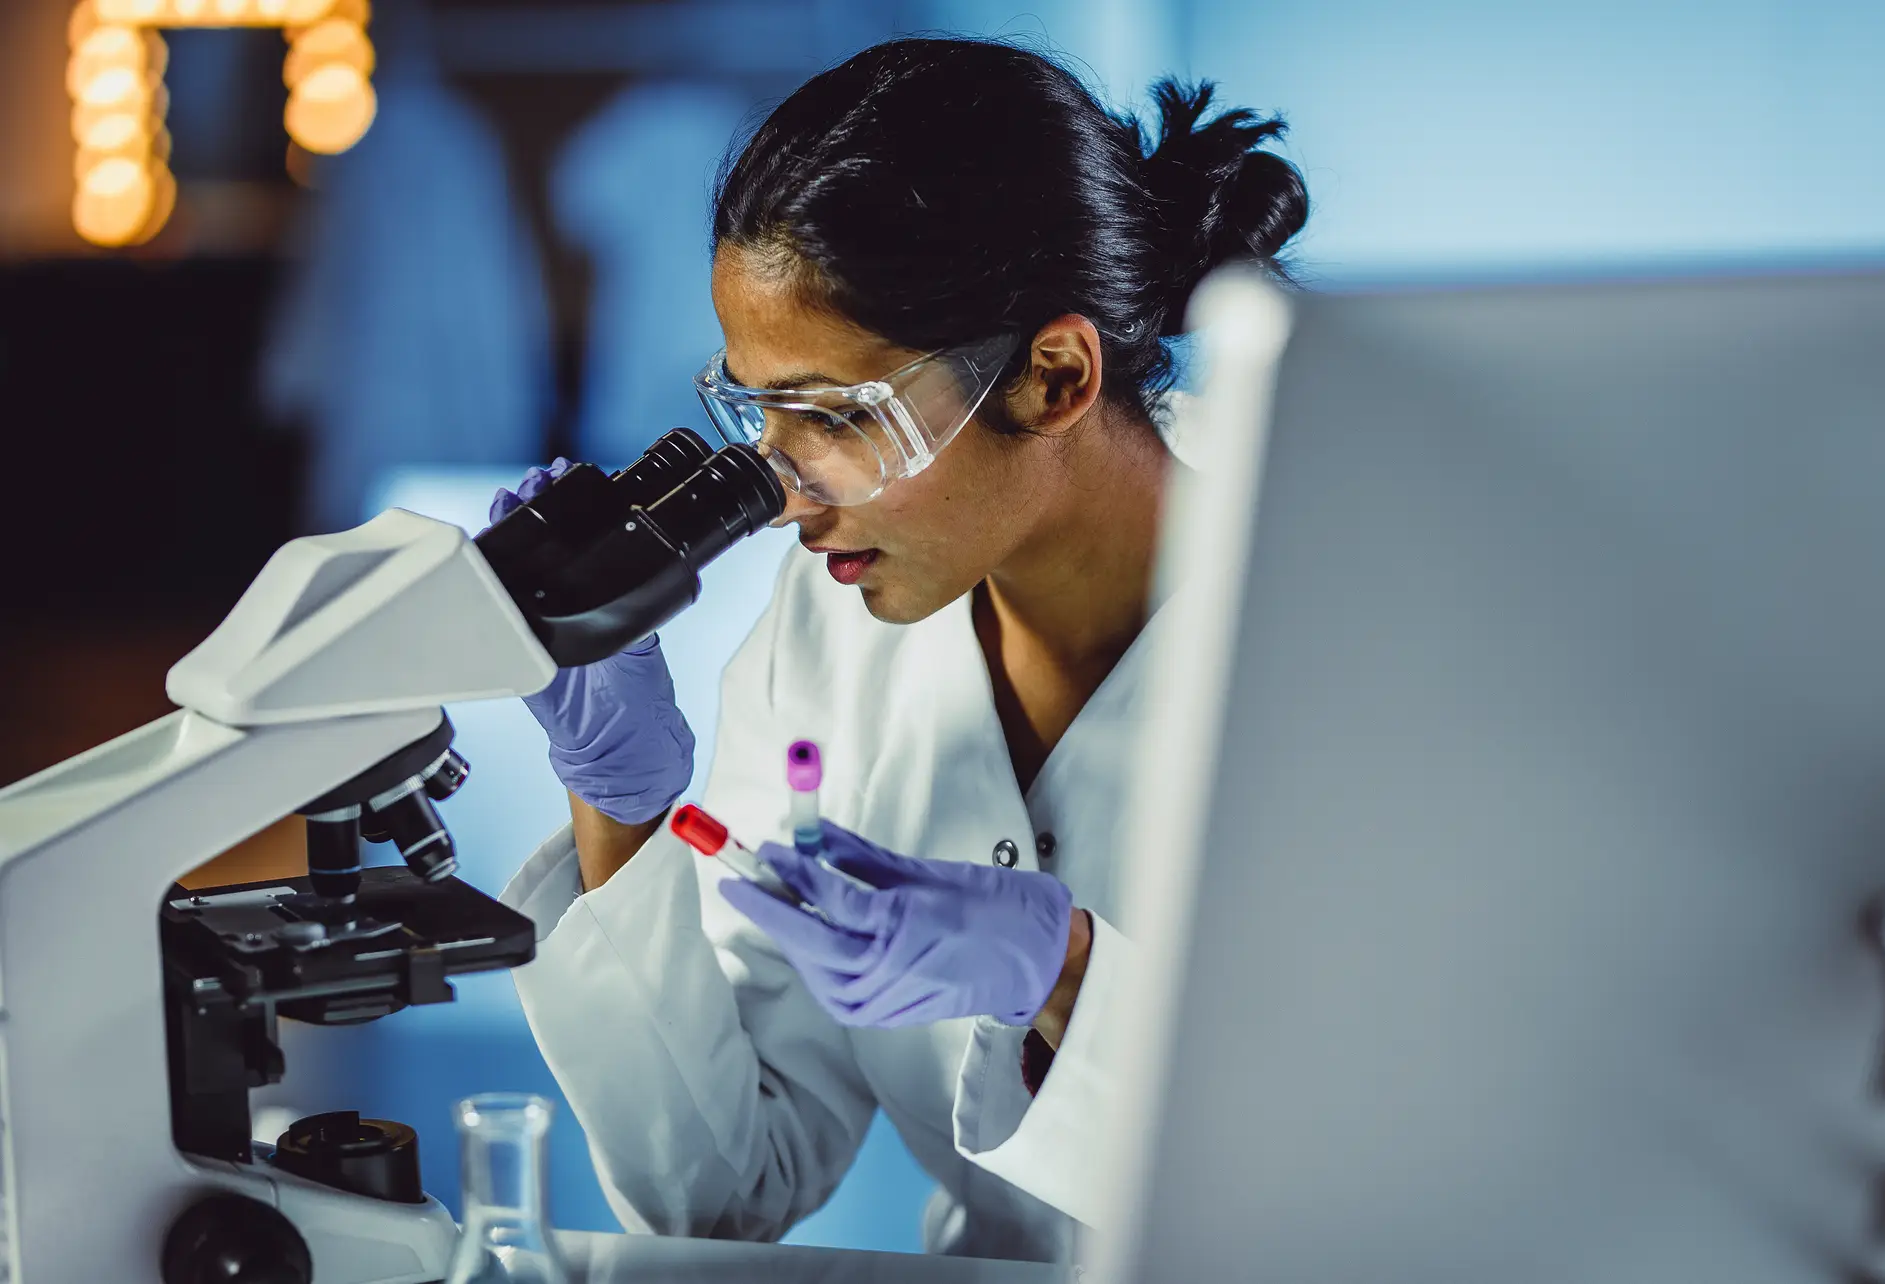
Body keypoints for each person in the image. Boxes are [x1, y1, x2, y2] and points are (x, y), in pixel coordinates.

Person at [495, 36, 1309, 1262]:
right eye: (756, 411)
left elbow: (1398, 1156)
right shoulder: (829, 626)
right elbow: (722, 1198)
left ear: (1053, 376)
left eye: (831, 417)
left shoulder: (1335, 614)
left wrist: (1065, 975)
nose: (781, 493)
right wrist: (623, 813)